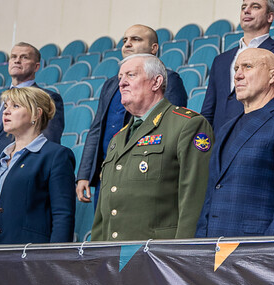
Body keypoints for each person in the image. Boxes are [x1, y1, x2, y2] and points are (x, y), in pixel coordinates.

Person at [91, 54, 213, 241]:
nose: (122, 83)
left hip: (158, 253)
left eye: (131, 75)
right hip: (113, 253)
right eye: (120, 78)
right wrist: (96, 254)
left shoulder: (187, 125)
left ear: (156, 82)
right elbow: (103, 213)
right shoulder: (118, 139)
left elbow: (195, 200)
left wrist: (182, 251)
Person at [197, 48, 274, 237]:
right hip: (213, 244)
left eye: (247, 67)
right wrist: (202, 243)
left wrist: (266, 249)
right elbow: (211, 196)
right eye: (236, 69)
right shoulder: (225, 128)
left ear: (273, 76)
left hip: (256, 247)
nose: (238, 75)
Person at [76, 24, 188, 205]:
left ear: (154, 48)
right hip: (106, 174)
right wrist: (84, 174)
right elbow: (96, 129)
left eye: (136, 39)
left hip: (141, 175)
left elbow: (171, 128)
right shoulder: (111, 84)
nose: (127, 44)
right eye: (125, 40)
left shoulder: (169, 79)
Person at [0, 43, 64, 212]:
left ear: (36, 66)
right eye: (13, 57)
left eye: (24, 57)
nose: (17, 61)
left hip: (21, 182)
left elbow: (49, 142)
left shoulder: (47, 98)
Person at [0, 87, 75, 245]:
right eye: (5, 107)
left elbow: (63, 215)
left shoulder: (56, 155)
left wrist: (55, 255)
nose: (6, 112)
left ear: (36, 114)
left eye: (15, 106)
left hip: (27, 250)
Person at [201, 0, 274, 129]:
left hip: (260, 135)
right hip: (220, 137)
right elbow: (208, 110)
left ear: (270, 17)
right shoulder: (221, 60)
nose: (246, 11)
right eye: (243, 7)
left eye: (255, 7)